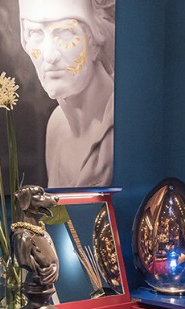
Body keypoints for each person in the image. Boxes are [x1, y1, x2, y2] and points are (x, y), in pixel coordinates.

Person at [18, 0, 115, 188]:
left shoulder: (121, 123)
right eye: (36, 33)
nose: (49, 55)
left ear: (94, 43)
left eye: (65, 32)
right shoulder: (57, 124)